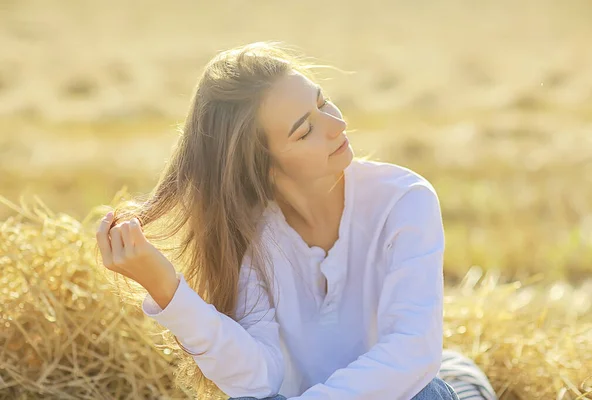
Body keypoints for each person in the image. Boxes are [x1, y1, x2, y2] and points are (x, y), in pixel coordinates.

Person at [95, 41, 497, 400]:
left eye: (322, 103)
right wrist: (166, 288)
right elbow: (256, 380)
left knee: (427, 394)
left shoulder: (404, 199)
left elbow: (412, 354)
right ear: (263, 166)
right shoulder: (251, 234)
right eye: (306, 130)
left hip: (431, 386)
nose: (337, 125)